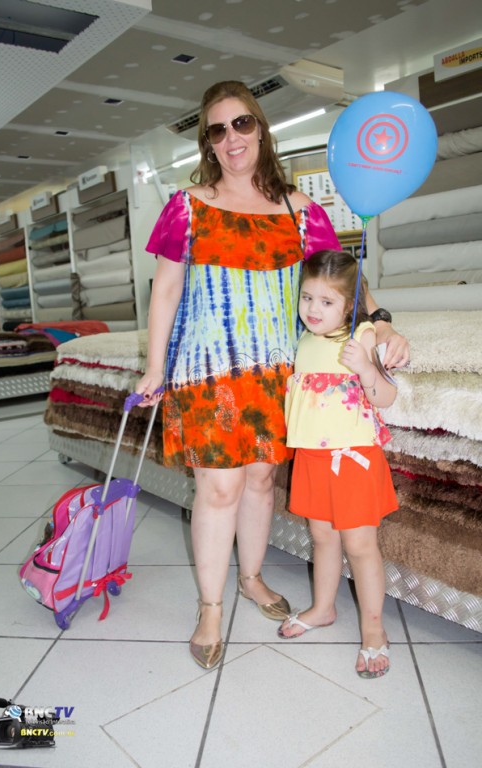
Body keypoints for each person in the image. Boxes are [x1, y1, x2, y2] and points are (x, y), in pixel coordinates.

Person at [135, 80, 409, 670]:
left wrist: (382, 324)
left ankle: (252, 577)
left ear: (260, 128)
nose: (231, 138)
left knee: (260, 483)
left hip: (278, 373)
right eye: (217, 129)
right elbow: (166, 290)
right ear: (208, 142)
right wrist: (155, 366)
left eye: (242, 123)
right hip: (208, 371)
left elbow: (345, 281)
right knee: (219, 489)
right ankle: (211, 607)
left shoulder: (299, 210)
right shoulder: (187, 206)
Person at [278, 249, 399, 678]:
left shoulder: (361, 335)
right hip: (313, 456)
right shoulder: (304, 339)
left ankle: (374, 629)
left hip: (353, 458)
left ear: (349, 306)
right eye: (307, 297)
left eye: (327, 301)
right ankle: (323, 608)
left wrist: (366, 368)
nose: (313, 309)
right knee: (323, 538)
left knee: (360, 546)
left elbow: (386, 396)